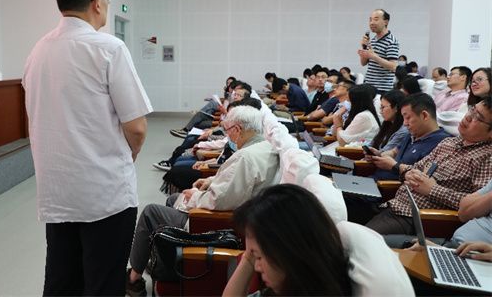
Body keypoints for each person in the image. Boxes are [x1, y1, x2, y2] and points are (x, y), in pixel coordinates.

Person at [22, 0, 152, 296]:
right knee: (103, 284)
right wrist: (129, 155)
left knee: (62, 282)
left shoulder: (38, 51)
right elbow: (136, 128)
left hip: (57, 193)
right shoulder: (109, 49)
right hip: (104, 194)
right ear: (96, 2)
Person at [126, 105, 280, 295]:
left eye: (228, 130)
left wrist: (194, 196)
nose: (227, 136)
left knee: (151, 212)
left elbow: (218, 201)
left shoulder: (245, 158)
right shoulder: (265, 148)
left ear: (238, 129)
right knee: (173, 199)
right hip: (243, 214)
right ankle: (165, 263)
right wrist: (211, 180)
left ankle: (133, 278)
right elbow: (238, 184)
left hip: (218, 224)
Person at [222, 184, 414, 297]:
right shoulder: (291, 284)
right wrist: (250, 256)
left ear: (288, 250)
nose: (256, 266)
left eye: (259, 257)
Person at [364, 97, 492, 236]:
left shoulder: (487, 158)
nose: (468, 117)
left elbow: (476, 206)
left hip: (420, 219)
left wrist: (433, 189)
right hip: (393, 204)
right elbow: (416, 168)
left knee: (358, 239)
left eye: (477, 117)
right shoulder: (449, 143)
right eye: (472, 110)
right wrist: (409, 173)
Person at [358, 9, 400, 93]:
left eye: (376, 19)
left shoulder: (391, 41)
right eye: (370, 20)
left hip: (382, 89)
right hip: (368, 86)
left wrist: (374, 56)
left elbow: (393, 66)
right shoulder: (373, 40)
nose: (371, 23)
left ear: (386, 22)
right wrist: (364, 48)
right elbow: (363, 63)